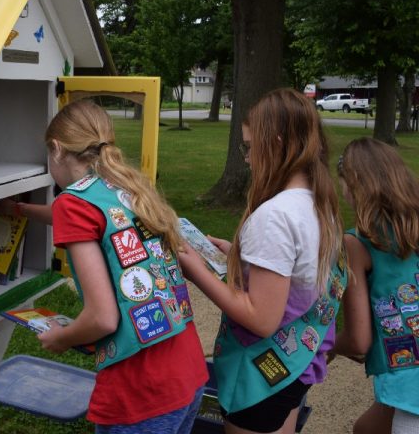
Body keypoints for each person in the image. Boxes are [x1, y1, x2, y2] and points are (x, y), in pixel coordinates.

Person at [33, 99, 208, 433]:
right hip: (186, 374)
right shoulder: (126, 186)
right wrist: (21, 210)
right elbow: (93, 221)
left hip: (139, 390)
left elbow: (102, 318)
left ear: (56, 149)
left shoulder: (71, 204)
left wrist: (63, 338)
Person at [177, 88, 346, 434]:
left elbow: (261, 319)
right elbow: (295, 272)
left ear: (277, 144)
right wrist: (240, 256)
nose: (247, 158)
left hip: (260, 378)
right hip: (293, 367)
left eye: (250, 146)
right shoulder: (317, 203)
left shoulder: (275, 216)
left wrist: (195, 270)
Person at [333, 137, 419, 434]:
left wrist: (322, 343)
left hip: (411, 391)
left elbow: (358, 341)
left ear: (353, 184)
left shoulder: (355, 243)